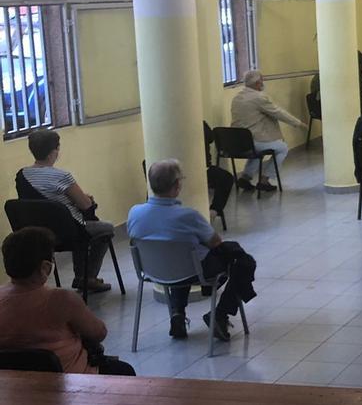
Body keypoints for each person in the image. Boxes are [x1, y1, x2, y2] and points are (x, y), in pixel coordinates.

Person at [127, 160, 257, 342]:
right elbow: (215, 242)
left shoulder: (134, 213)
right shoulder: (188, 216)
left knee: (179, 256)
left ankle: (177, 315)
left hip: (151, 272)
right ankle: (220, 314)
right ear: (177, 186)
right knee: (243, 261)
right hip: (193, 271)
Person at [0, 228, 135, 375]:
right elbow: (99, 333)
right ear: (45, 267)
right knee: (125, 371)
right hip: (68, 384)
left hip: (13, 387)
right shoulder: (62, 299)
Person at [15, 130, 114, 293]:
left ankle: (82, 277)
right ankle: (86, 277)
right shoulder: (61, 176)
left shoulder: (22, 175)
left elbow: (39, 204)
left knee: (78, 224)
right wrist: (86, 199)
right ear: (54, 152)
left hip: (36, 233)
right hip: (67, 233)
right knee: (105, 228)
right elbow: (85, 205)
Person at [230, 69, 305, 192]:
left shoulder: (237, 98)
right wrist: (298, 123)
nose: (263, 83)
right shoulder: (258, 98)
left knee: (256, 150)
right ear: (257, 83)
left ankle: (245, 177)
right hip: (253, 140)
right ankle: (265, 180)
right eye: (262, 81)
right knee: (282, 148)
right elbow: (278, 112)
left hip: (236, 142)